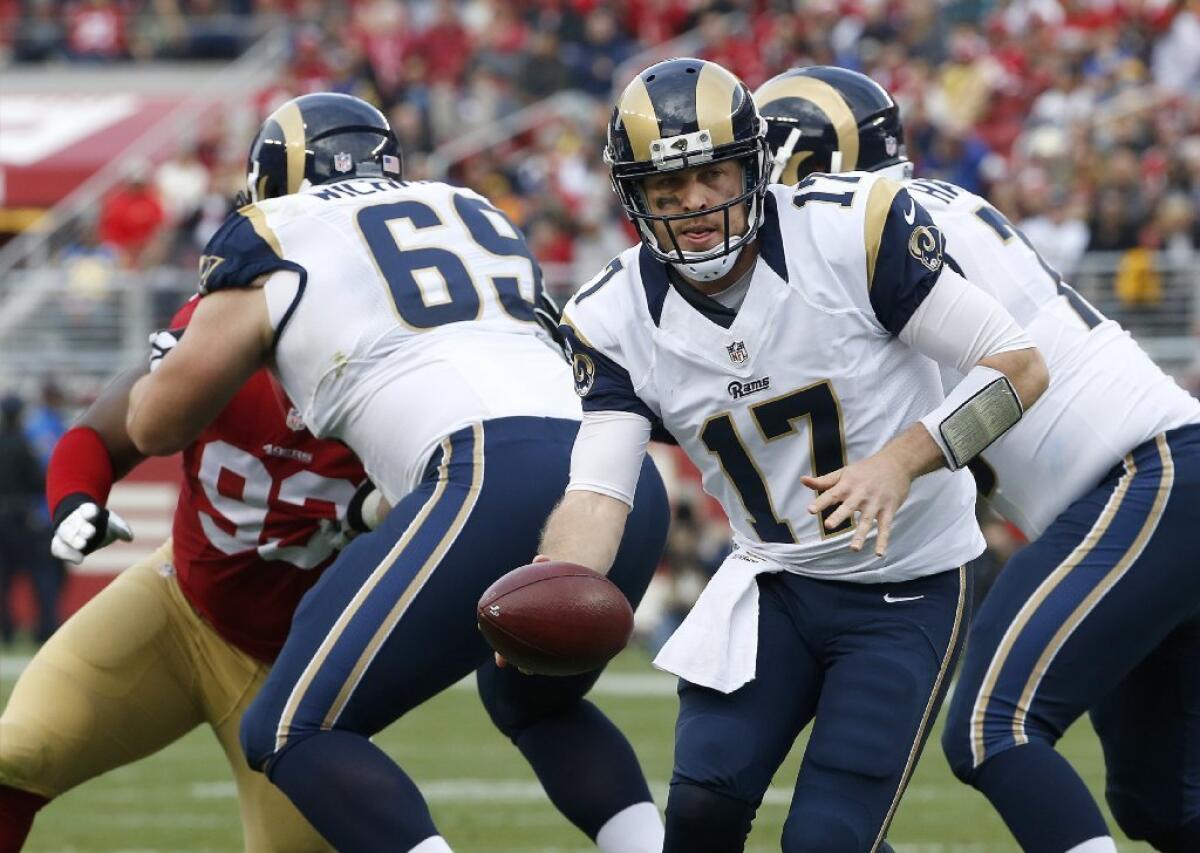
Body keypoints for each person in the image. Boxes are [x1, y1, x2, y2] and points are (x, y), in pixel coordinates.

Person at [123, 93, 671, 853]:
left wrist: (168, 361)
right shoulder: (468, 206)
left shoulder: (275, 231)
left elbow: (156, 424)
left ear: (272, 178)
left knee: (292, 726)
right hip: (619, 479)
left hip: (491, 473)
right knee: (532, 699)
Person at [533, 57, 1047, 853]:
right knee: (700, 812)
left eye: (711, 174)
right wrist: (556, 586)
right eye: (666, 189)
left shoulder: (851, 230)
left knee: (826, 840)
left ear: (755, 163)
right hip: (773, 582)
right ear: (633, 196)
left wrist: (901, 460)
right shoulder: (611, 315)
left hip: (904, 590)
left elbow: (1019, 366)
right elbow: (599, 492)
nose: (695, 204)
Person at [755, 65, 1200, 853]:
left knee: (996, 725)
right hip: (1154, 482)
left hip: (1144, 476)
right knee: (1163, 802)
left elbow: (968, 394)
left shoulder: (877, 233)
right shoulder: (929, 209)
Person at [0, 296, 373, 852]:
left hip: (297, 664)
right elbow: (101, 436)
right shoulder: (221, 338)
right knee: (16, 756)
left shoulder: (398, 389)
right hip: (175, 603)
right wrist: (76, 499)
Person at [0, 396, 46, 647]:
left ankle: (6, 630)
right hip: (21, 518)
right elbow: (39, 481)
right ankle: (42, 628)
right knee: (39, 575)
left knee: (3, 579)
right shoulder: (25, 444)